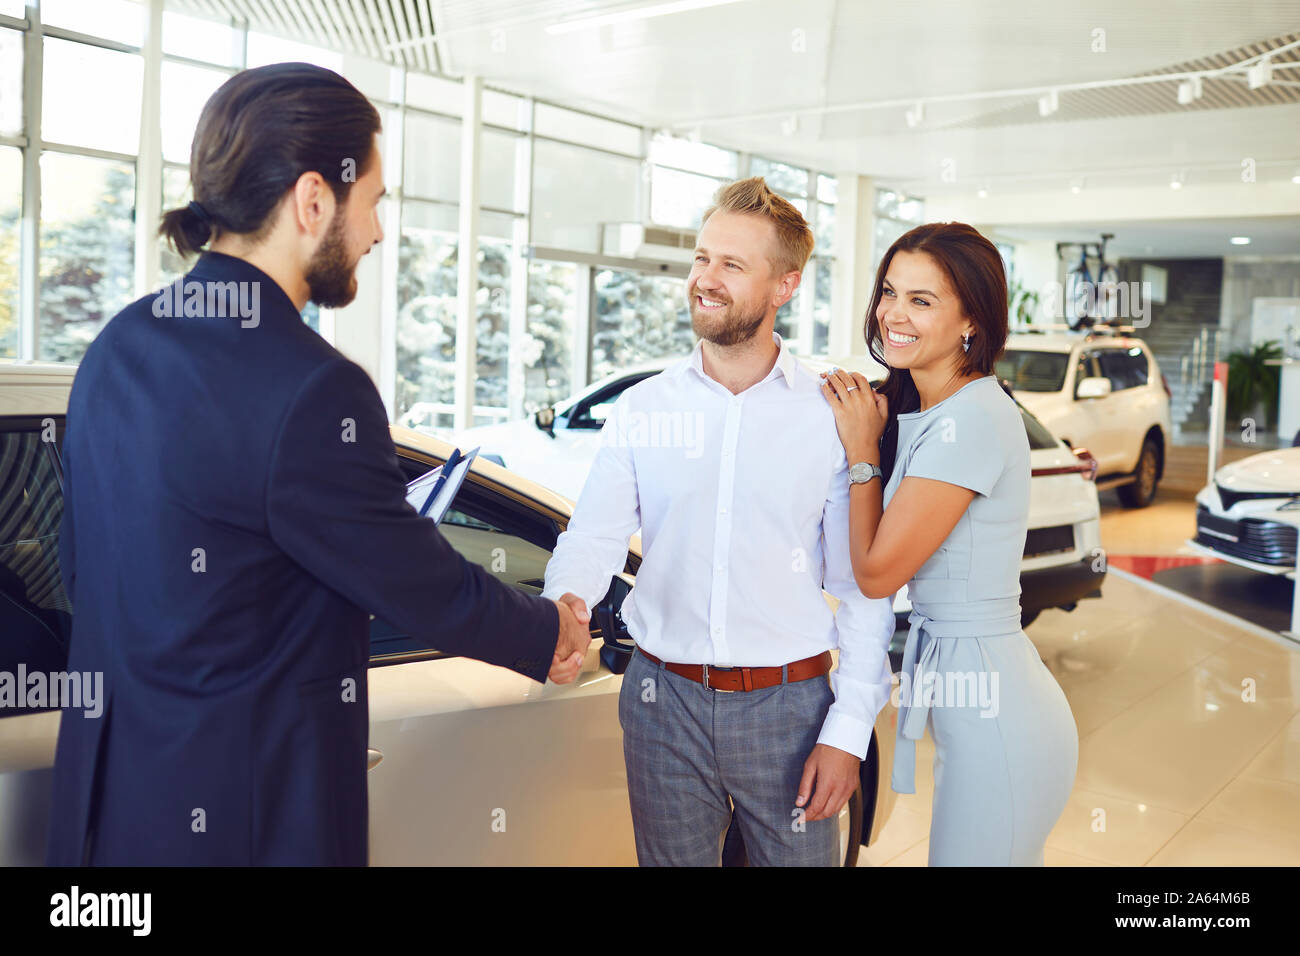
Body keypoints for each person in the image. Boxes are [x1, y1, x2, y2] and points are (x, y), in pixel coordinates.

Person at [47, 63, 591, 866]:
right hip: (248, 824)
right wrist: (550, 630)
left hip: (114, 813)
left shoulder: (117, 347)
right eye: (372, 202)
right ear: (312, 200)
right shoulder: (312, 386)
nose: (374, 232)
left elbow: (85, 565)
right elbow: (421, 584)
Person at [542, 178, 896, 866]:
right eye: (702, 258)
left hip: (790, 707)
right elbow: (593, 536)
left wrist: (849, 731)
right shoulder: (644, 408)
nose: (705, 279)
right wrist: (567, 603)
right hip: (660, 700)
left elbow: (861, 586)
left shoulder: (832, 414)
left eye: (732, 265)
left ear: (784, 286)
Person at [819, 222, 1078, 865]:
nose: (893, 315)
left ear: (972, 321)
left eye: (922, 300)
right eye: (888, 292)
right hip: (979, 695)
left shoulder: (970, 419)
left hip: (999, 713)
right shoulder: (937, 408)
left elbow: (877, 573)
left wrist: (860, 455)